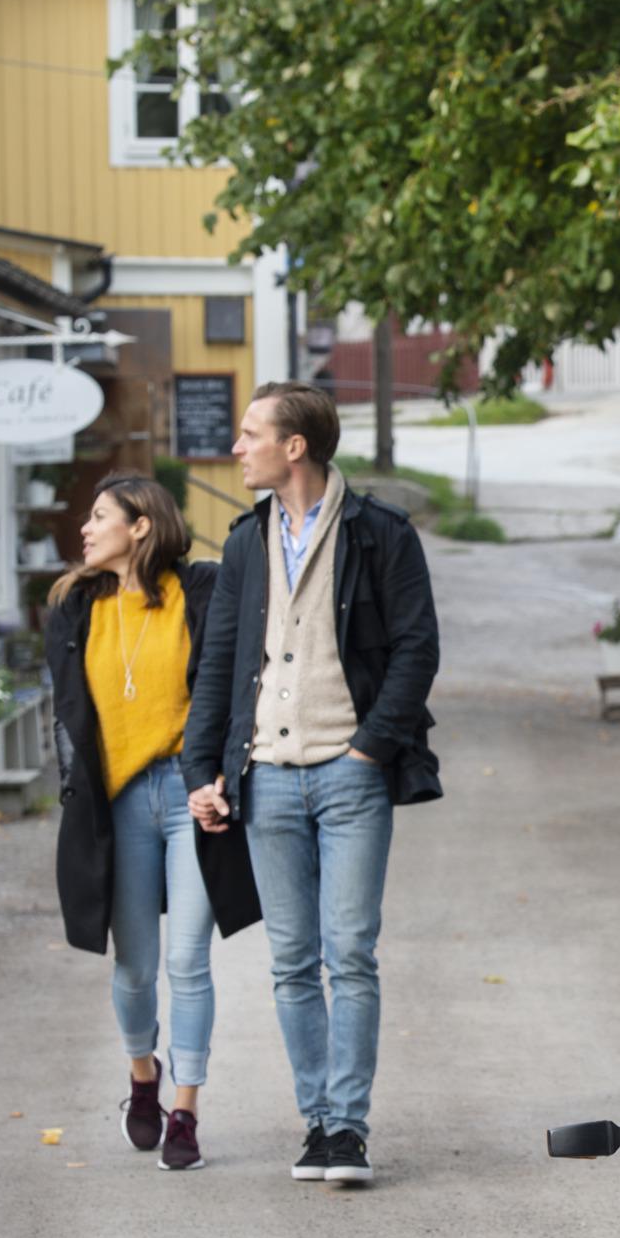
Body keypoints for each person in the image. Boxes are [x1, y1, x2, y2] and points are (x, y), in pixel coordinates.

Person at [184, 382, 441, 1187]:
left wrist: (371, 747)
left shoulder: (379, 534)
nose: (238, 446)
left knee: (350, 954)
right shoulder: (245, 542)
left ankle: (350, 1131)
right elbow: (218, 663)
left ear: (295, 446)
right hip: (266, 780)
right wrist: (205, 768)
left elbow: (416, 649)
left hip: (348, 775)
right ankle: (320, 1124)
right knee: (293, 960)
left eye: (251, 432)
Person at [46, 475, 261, 1171]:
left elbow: (230, 686)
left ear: (141, 525)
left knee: (187, 960)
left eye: (100, 514)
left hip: (188, 794)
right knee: (136, 967)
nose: (85, 527)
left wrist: (223, 773)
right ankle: (144, 1078)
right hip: (119, 802)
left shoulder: (199, 591)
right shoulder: (76, 606)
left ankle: (186, 1112)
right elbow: (70, 717)